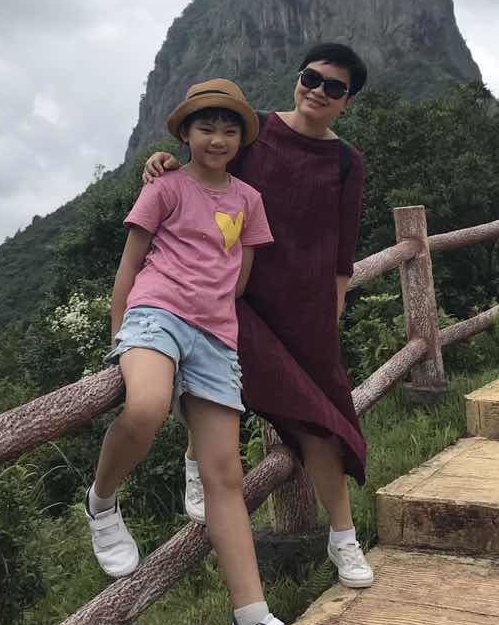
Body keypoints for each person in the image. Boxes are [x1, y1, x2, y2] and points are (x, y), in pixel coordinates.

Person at [87, 78, 332, 625]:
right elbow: (129, 265)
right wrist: (119, 336)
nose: (217, 138)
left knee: (227, 476)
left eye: (228, 129)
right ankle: (101, 501)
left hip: (216, 334)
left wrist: (213, 306)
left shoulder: (249, 200)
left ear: (242, 137)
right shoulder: (164, 187)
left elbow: (239, 278)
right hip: (156, 313)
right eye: (206, 127)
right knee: (146, 407)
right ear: (185, 133)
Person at [144, 43, 374, 590]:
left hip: (305, 311)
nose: (318, 91)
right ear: (298, 78)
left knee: (321, 421)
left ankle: (343, 539)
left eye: (334, 87)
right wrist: (163, 163)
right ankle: (197, 461)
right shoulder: (256, 133)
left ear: (347, 102)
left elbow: (343, 248)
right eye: (311, 78)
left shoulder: (347, 162)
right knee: (215, 385)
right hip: (236, 299)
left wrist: (333, 307)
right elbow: (206, 172)